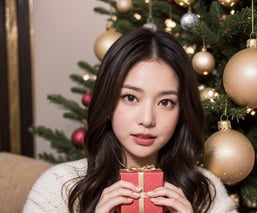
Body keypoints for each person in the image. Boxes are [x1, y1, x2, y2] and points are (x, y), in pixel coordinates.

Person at [23, 27, 237, 213]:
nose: (147, 120)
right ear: (107, 103)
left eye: (165, 102)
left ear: (182, 111)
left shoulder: (205, 191)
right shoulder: (58, 187)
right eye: (130, 98)